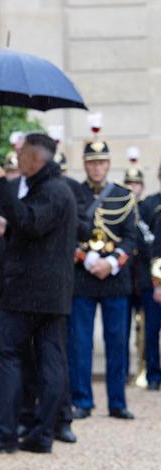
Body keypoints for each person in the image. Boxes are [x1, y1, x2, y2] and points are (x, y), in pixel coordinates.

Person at [0, 133, 77, 454]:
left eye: (22, 153)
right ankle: (37, 431)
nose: (17, 158)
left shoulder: (54, 190)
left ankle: (12, 432)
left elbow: (31, 222)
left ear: (36, 159)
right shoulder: (42, 188)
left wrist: (1, 185)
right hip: (38, 291)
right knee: (42, 360)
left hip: (31, 291)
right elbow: (13, 231)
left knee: (12, 356)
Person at [68, 123, 138, 420]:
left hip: (115, 279)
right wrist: (85, 258)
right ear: (85, 165)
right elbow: (67, 234)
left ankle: (117, 402)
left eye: (101, 162)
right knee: (80, 343)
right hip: (83, 276)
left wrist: (111, 262)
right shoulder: (73, 193)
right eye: (92, 162)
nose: (97, 168)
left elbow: (131, 238)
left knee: (117, 343)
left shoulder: (123, 196)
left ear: (108, 164)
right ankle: (82, 400)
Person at [138, 163, 161, 390]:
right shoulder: (149, 205)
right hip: (152, 279)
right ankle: (154, 375)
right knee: (152, 330)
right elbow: (146, 242)